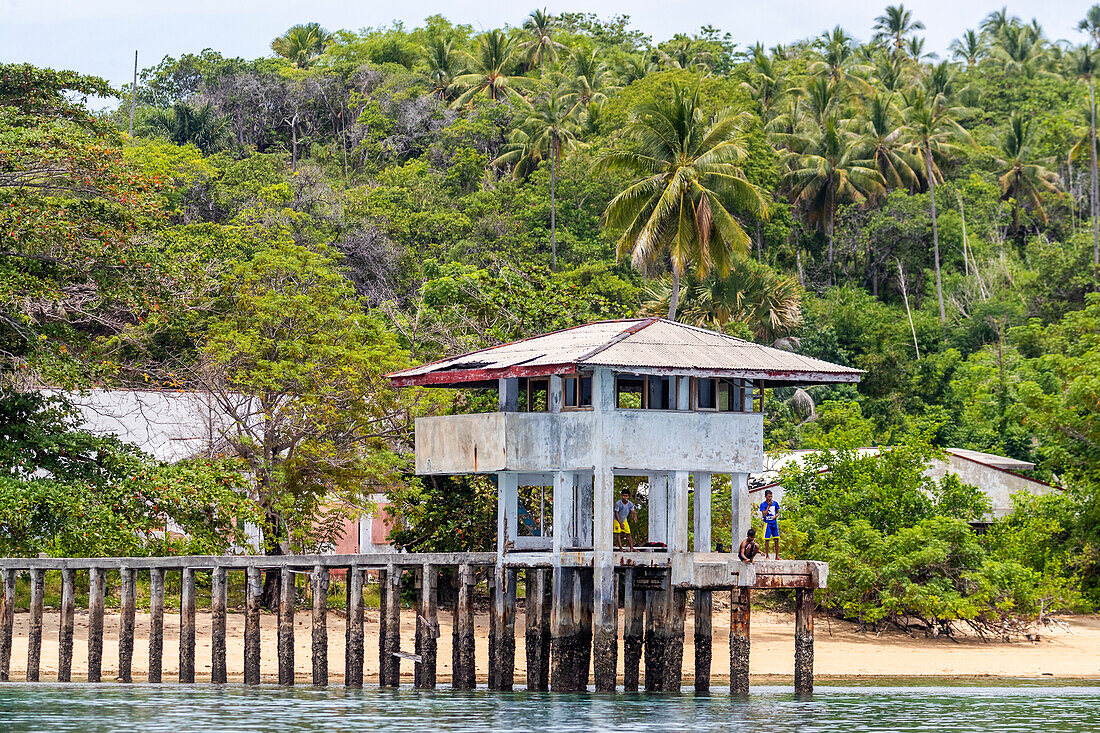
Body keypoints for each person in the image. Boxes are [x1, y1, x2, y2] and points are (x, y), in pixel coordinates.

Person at [759, 489, 780, 559]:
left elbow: (778, 512)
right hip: (767, 523)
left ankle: (777, 556)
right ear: (765, 497)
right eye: (769, 496)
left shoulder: (775, 503)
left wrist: (776, 516)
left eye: (771, 496)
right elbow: (764, 514)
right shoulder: (763, 505)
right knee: (767, 540)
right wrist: (768, 506)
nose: (770, 498)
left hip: (774, 523)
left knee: (776, 539)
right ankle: (767, 556)